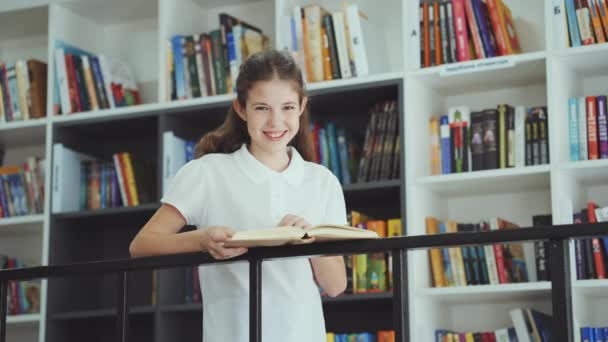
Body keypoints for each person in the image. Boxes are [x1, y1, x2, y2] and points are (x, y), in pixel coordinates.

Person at [129, 49, 347, 342]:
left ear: (301, 107)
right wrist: (202, 240)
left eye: (287, 107)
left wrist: (311, 242)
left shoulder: (322, 181)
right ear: (241, 109)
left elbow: (335, 285)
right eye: (261, 108)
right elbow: (142, 245)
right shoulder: (208, 173)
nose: (275, 121)